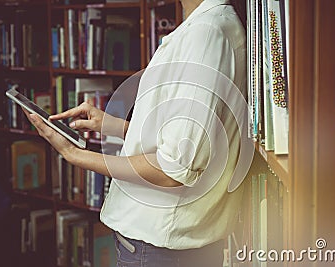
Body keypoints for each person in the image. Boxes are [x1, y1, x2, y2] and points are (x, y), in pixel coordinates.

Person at [26, 0, 247, 266]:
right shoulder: (209, 26)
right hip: (160, 245)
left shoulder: (206, 33)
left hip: (159, 248)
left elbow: (174, 167)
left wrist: (74, 155)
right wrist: (114, 126)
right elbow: (187, 141)